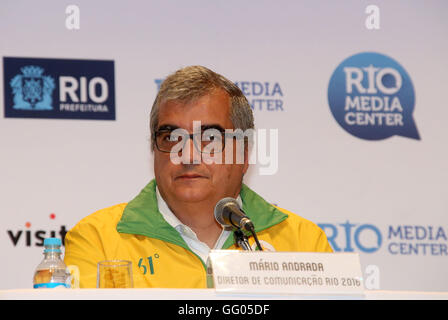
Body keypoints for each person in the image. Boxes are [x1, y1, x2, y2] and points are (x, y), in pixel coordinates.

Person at [64, 65, 333, 288]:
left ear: (244, 153)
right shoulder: (98, 240)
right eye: (171, 137)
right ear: (153, 148)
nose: (188, 154)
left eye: (210, 138)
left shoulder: (304, 242)